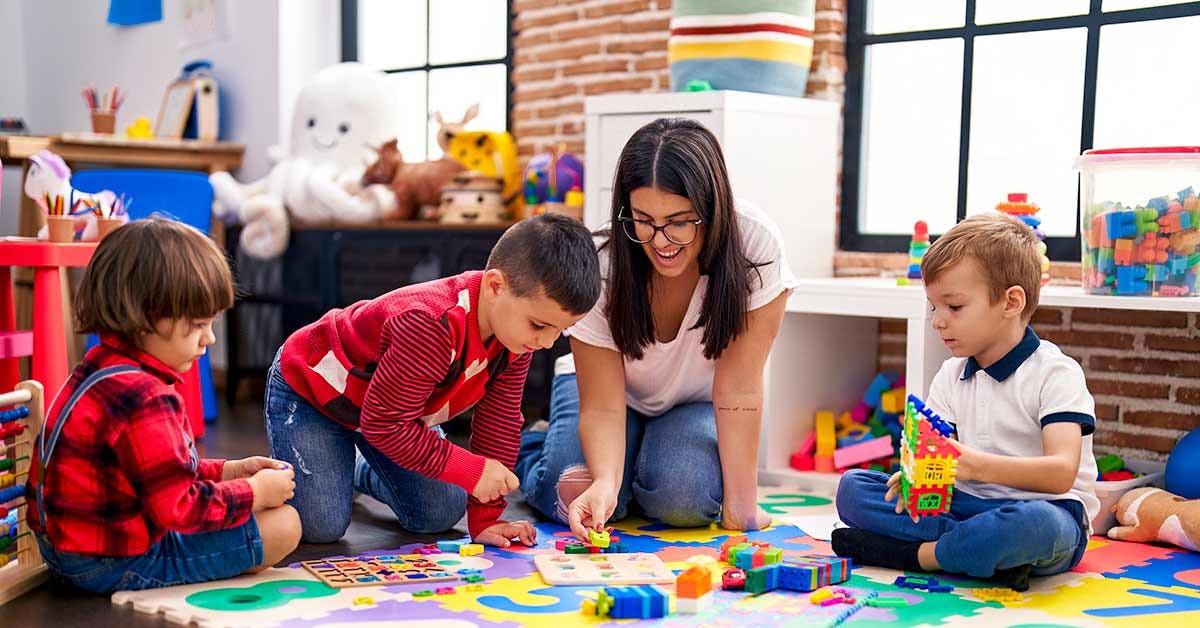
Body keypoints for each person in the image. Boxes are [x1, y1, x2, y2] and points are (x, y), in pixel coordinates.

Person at [515, 118, 798, 539]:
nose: (661, 240)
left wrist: (741, 509)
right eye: (643, 219)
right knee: (577, 496)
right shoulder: (604, 261)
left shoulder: (755, 246)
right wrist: (606, 486)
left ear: (711, 209)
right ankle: (535, 447)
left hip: (694, 402)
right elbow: (605, 407)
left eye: (680, 221)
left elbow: (739, 387)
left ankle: (634, 460)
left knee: (683, 499)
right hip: (607, 398)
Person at [266, 213, 601, 547]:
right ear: (495, 286)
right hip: (312, 394)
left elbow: (498, 423)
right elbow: (386, 424)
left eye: (559, 331)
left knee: (440, 511)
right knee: (321, 527)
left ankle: (356, 469)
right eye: (540, 326)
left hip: (391, 413)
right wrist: (470, 470)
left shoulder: (516, 336)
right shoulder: (430, 324)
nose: (546, 342)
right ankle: (312, 466)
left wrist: (486, 519)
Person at [27, 218, 300, 594]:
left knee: (261, 514)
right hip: (109, 563)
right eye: (198, 324)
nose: (210, 339)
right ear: (145, 317)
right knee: (284, 524)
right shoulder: (146, 397)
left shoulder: (99, 365)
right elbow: (179, 508)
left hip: (64, 550)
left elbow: (156, 474)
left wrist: (229, 471)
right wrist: (254, 493)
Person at [832, 213, 1098, 592]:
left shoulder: (1056, 373)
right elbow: (937, 464)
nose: (938, 322)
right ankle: (978, 554)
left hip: (1047, 511)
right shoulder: (951, 374)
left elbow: (1060, 473)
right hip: (965, 507)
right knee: (854, 489)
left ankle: (917, 556)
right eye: (933, 308)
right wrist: (915, 481)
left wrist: (976, 467)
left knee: (1034, 527)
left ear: (1011, 302)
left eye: (953, 307)